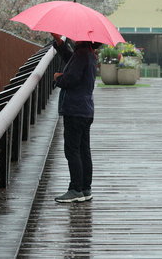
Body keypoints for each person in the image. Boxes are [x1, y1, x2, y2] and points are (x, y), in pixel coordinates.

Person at [51, 33, 100, 203]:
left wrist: (58, 78)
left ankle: (75, 189)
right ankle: (85, 188)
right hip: (85, 109)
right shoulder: (88, 53)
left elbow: (71, 78)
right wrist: (59, 42)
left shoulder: (82, 54)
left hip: (75, 109)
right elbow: (72, 62)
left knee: (72, 150)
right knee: (83, 150)